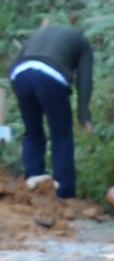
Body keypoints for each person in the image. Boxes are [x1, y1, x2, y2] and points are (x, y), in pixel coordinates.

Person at [9, 22, 92, 200]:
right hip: (51, 75)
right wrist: (83, 114)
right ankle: (64, 192)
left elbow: (14, 65)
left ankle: (33, 182)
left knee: (32, 132)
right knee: (61, 134)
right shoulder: (81, 41)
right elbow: (85, 79)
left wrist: (19, 90)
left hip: (21, 74)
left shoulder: (39, 33)